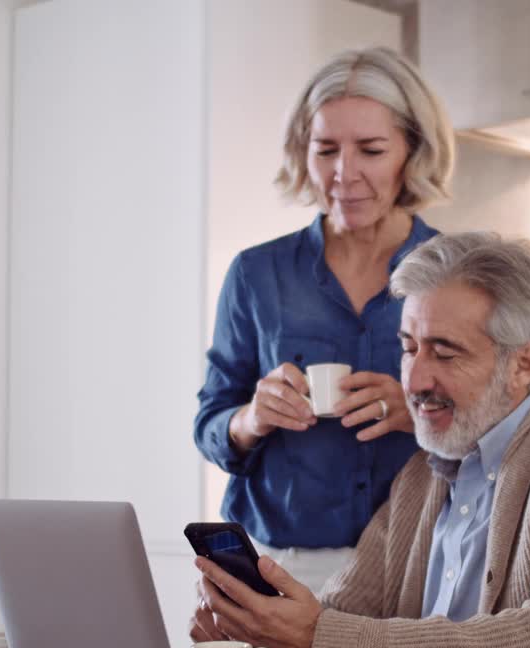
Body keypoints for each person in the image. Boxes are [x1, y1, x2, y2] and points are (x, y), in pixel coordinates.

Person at [191, 232, 530, 648]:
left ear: (524, 363)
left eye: (444, 352)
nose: (415, 378)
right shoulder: (425, 473)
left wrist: (319, 641)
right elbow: (337, 614)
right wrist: (259, 635)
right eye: (407, 348)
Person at [193, 47, 456, 592]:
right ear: (302, 152)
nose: (344, 173)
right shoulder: (256, 274)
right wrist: (253, 418)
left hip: (417, 568)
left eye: (371, 150)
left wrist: (416, 413)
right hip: (276, 566)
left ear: (413, 151)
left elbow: (511, 429)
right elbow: (212, 423)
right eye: (326, 149)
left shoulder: (459, 273)